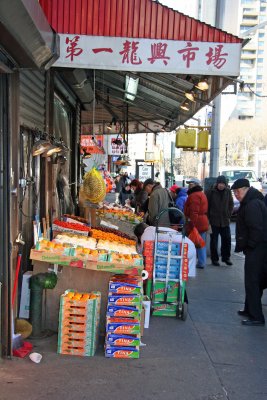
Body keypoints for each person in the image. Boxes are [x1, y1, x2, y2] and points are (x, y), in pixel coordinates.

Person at [231, 178, 267, 326]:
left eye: (237, 192)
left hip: (257, 249)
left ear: (246, 189)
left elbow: (256, 229)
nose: (236, 195)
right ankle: (249, 308)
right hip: (258, 248)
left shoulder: (252, 205)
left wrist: (250, 245)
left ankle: (256, 315)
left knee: (253, 281)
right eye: (234, 192)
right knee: (253, 281)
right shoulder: (252, 202)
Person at [206, 175, 234, 266]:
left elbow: (231, 204)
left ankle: (226, 258)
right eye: (220, 184)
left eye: (223, 184)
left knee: (227, 239)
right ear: (217, 183)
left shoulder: (228, 192)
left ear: (225, 184)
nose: (221, 185)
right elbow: (207, 206)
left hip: (225, 220)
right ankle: (214, 259)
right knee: (214, 241)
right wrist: (208, 219)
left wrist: (229, 214)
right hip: (214, 220)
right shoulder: (211, 192)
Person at [184, 178, 209, 269]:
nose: (189, 185)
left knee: (197, 242)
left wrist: (192, 225)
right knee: (200, 242)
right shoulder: (200, 194)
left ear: (196, 185)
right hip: (202, 221)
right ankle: (201, 262)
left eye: (191, 184)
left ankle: (200, 262)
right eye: (189, 183)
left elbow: (194, 212)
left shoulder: (194, 195)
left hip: (197, 223)